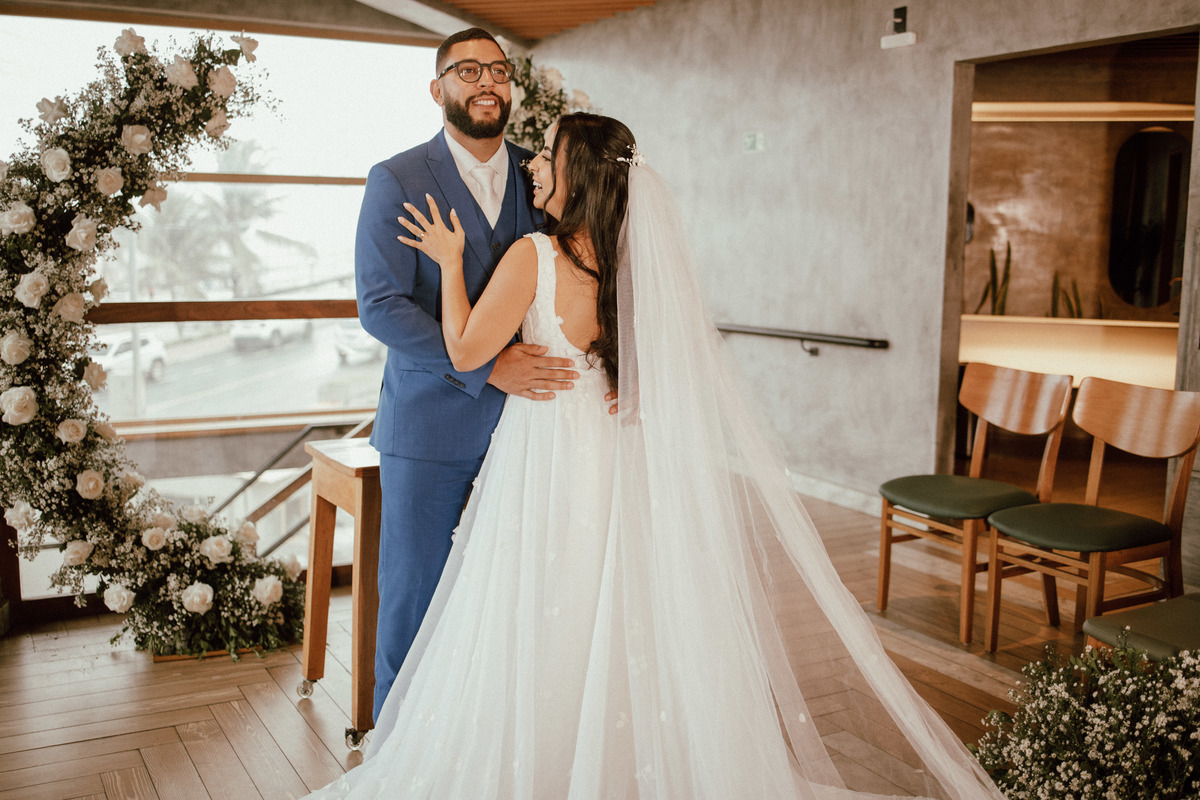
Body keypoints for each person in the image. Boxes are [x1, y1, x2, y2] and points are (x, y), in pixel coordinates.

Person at [308, 114, 1003, 798]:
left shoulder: (533, 255)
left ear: (579, 176)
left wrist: (450, 262)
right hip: (608, 452)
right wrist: (629, 384)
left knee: (534, 594)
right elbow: (654, 363)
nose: (534, 166)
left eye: (548, 156)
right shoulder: (630, 267)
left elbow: (465, 350)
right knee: (608, 591)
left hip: (543, 451)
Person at [355, 28, 579, 720]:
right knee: (415, 595)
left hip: (531, 425)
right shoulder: (397, 178)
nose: (487, 82)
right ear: (438, 89)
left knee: (511, 594)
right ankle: (393, 744)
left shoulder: (541, 173)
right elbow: (380, 306)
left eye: (499, 71)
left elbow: (577, 267)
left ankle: (486, 742)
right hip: (430, 426)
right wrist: (488, 367)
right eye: (468, 70)